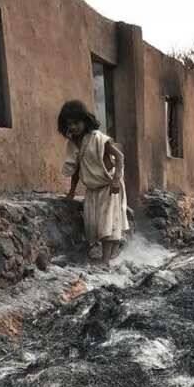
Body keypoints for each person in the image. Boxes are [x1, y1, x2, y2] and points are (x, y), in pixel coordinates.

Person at [58, 100, 128, 265]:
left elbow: (119, 157)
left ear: (85, 120)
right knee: (92, 225)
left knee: (107, 224)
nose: (73, 127)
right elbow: (76, 170)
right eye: (70, 124)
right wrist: (71, 192)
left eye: (76, 123)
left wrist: (116, 180)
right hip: (92, 188)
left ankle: (105, 262)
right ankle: (109, 252)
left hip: (108, 185)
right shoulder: (73, 144)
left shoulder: (98, 138)